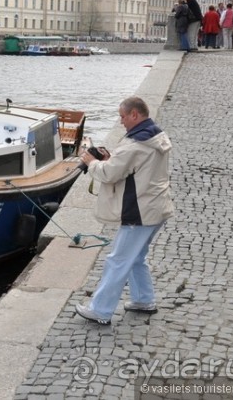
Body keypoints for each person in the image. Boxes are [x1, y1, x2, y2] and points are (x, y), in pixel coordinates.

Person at [75, 96, 174, 325]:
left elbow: (108, 174)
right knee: (136, 257)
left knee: (117, 260)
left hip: (140, 211)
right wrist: (112, 160)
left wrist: (92, 162)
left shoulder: (136, 144)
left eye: (122, 116)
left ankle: (100, 310)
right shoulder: (156, 134)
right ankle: (143, 300)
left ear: (134, 115)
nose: (121, 122)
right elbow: (131, 167)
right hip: (156, 206)